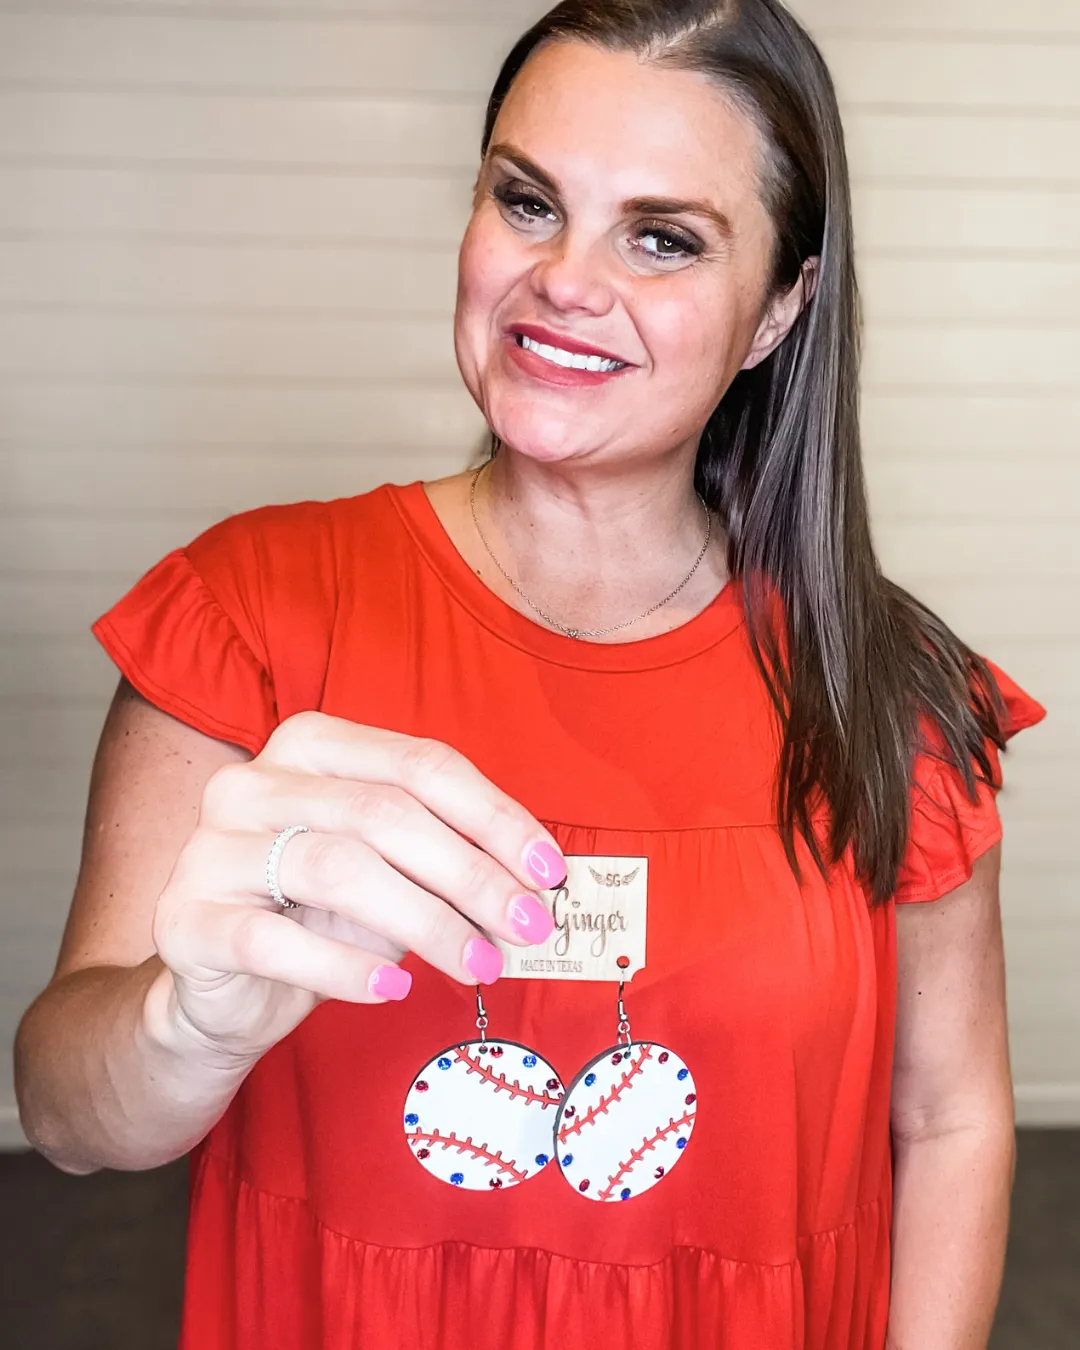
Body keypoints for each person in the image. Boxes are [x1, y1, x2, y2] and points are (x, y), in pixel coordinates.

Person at [14, 2, 1045, 1347]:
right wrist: (183, 1022)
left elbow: (950, 1115)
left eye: (662, 236)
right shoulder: (252, 615)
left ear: (780, 307)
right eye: (528, 201)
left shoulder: (886, 688)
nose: (565, 277)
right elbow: (71, 1119)